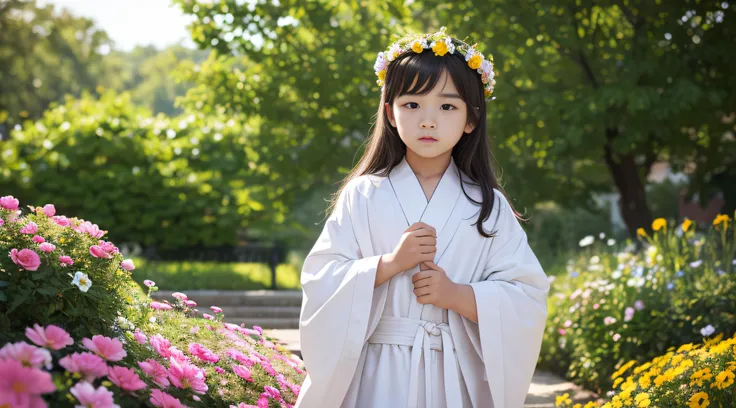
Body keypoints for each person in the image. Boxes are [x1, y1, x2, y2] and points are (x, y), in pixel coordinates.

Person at [295, 27, 550, 408]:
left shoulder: (488, 205)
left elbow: (527, 296)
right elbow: (321, 280)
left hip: (454, 374)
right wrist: (390, 264)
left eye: (447, 106)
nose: (428, 121)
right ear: (390, 113)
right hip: (377, 373)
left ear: (471, 119)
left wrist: (457, 295)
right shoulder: (363, 194)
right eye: (412, 104)